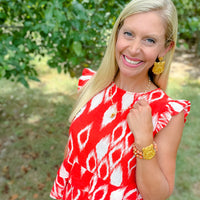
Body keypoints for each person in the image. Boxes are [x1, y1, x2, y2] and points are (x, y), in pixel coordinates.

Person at [50, 0, 190, 199]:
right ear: (117, 33)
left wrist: (144, 140)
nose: (133, 49)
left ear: (165, 48)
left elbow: (158, 195)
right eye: (129, 34)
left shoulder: (166, 112)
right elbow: (71, 157)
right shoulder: (92, 85)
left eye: (149, 40)